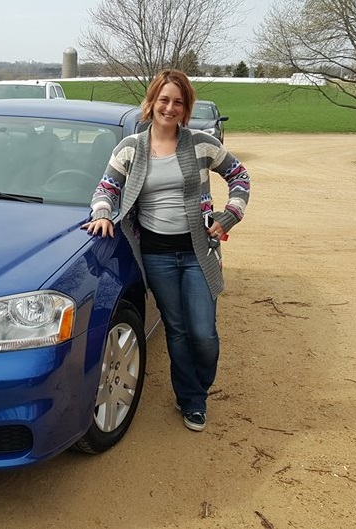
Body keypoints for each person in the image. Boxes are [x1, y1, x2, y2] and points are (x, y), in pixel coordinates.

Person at [82, 70, 250, 432]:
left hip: (199, 253)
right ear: (152, 102)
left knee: (203, 333)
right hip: (157, 257)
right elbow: (105, 189)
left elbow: (240, 176)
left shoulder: (202, 144)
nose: (169, 108)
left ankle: (198, 384)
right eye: (164, 100)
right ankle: (192, 399)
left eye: (178, 102)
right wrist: (102, 214)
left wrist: (230, 214)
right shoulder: (130, 149)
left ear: (185, 108)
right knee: (176, 329)